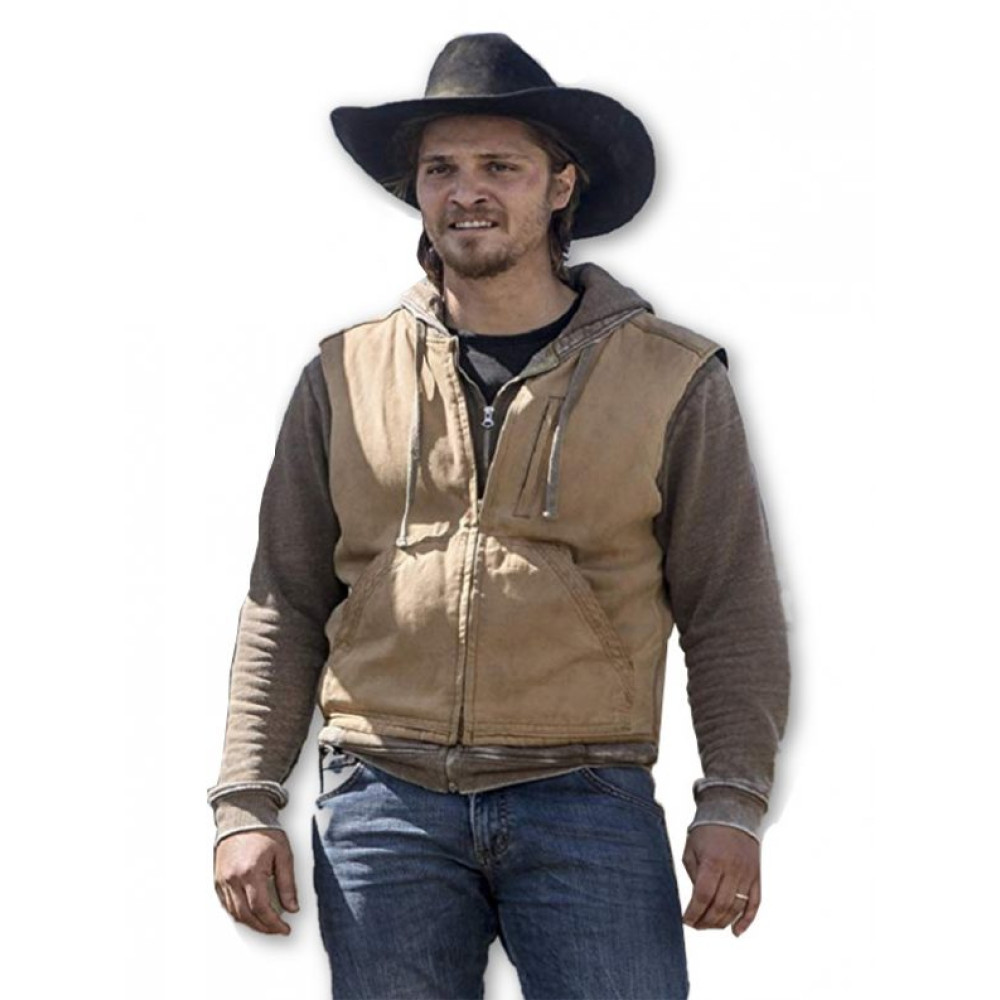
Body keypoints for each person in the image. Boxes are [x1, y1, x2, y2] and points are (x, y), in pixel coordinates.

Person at [208, 33, 790, 1000]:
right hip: (379, 804)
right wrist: (244, 800)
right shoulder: (342, 374)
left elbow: (730, 605)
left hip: (587, 797)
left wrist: (733, 799)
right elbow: (285, 598)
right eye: (441, 168)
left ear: (561, 186)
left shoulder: (672, 377)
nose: (465, 191)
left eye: (498, 166)